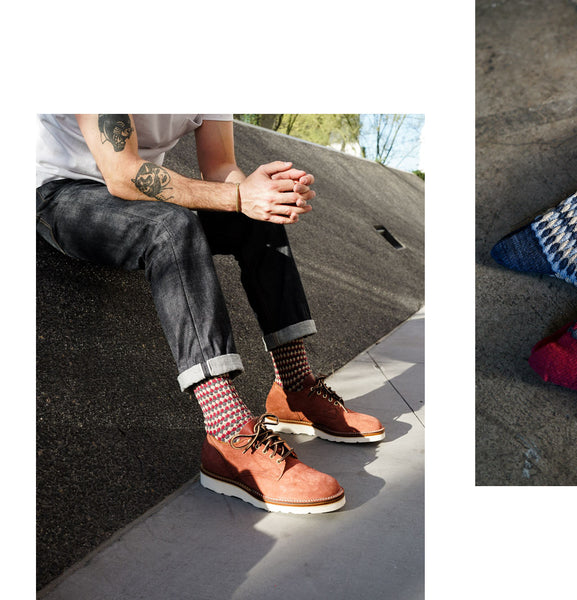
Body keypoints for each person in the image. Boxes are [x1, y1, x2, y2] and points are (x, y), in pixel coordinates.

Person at [36, 114, 385, 515]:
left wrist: (265, 194)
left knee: (259, 221)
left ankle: (293, 388)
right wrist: (240, 197)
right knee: (172, 227)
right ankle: (226, 431)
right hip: (62, 193)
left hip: (138, 199)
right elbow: (123, 174)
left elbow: (220, 168)